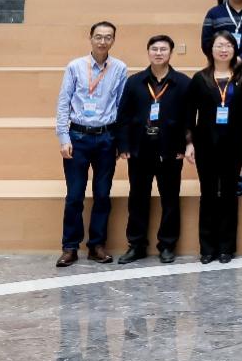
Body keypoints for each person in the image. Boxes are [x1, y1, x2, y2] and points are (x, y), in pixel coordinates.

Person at [55, 21, 129, 267]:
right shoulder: (75, 66)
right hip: (78, 137)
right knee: (75, 195)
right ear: (90, 38)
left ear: (113, 40)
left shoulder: (120, 68)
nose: (102, 41)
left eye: (108, 37)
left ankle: (97, 245)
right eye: (98, 36)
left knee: (102, 194)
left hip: (106, 137)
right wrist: (63, 137)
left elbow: (121, 107)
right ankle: (70, 247)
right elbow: (63, 102)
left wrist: (119, 141)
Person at [116, 35, 191, 265]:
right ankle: (136, 244)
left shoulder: (183, 83)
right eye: (154, 49)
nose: (158, 53)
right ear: (148, 52)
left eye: (163, 49)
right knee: (137, 198)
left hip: (171, 150)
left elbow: (189, 118)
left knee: (170, 199)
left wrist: (186, 145)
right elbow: (124, 116)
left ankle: (167, 245)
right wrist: (124, 146)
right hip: (139, 150)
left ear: (171, 53)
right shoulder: (134, 82)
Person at [187, 31, 242, 264]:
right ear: (210, 50)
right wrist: (189, 142)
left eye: (228, 45)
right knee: (207, 193)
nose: (223, 50)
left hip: (234, 142)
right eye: (219, 45)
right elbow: (189, 113)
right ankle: (207, 248)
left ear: (234, 49)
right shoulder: (200, 78)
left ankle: (226, 247)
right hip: (206, 143)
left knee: (228, 193)